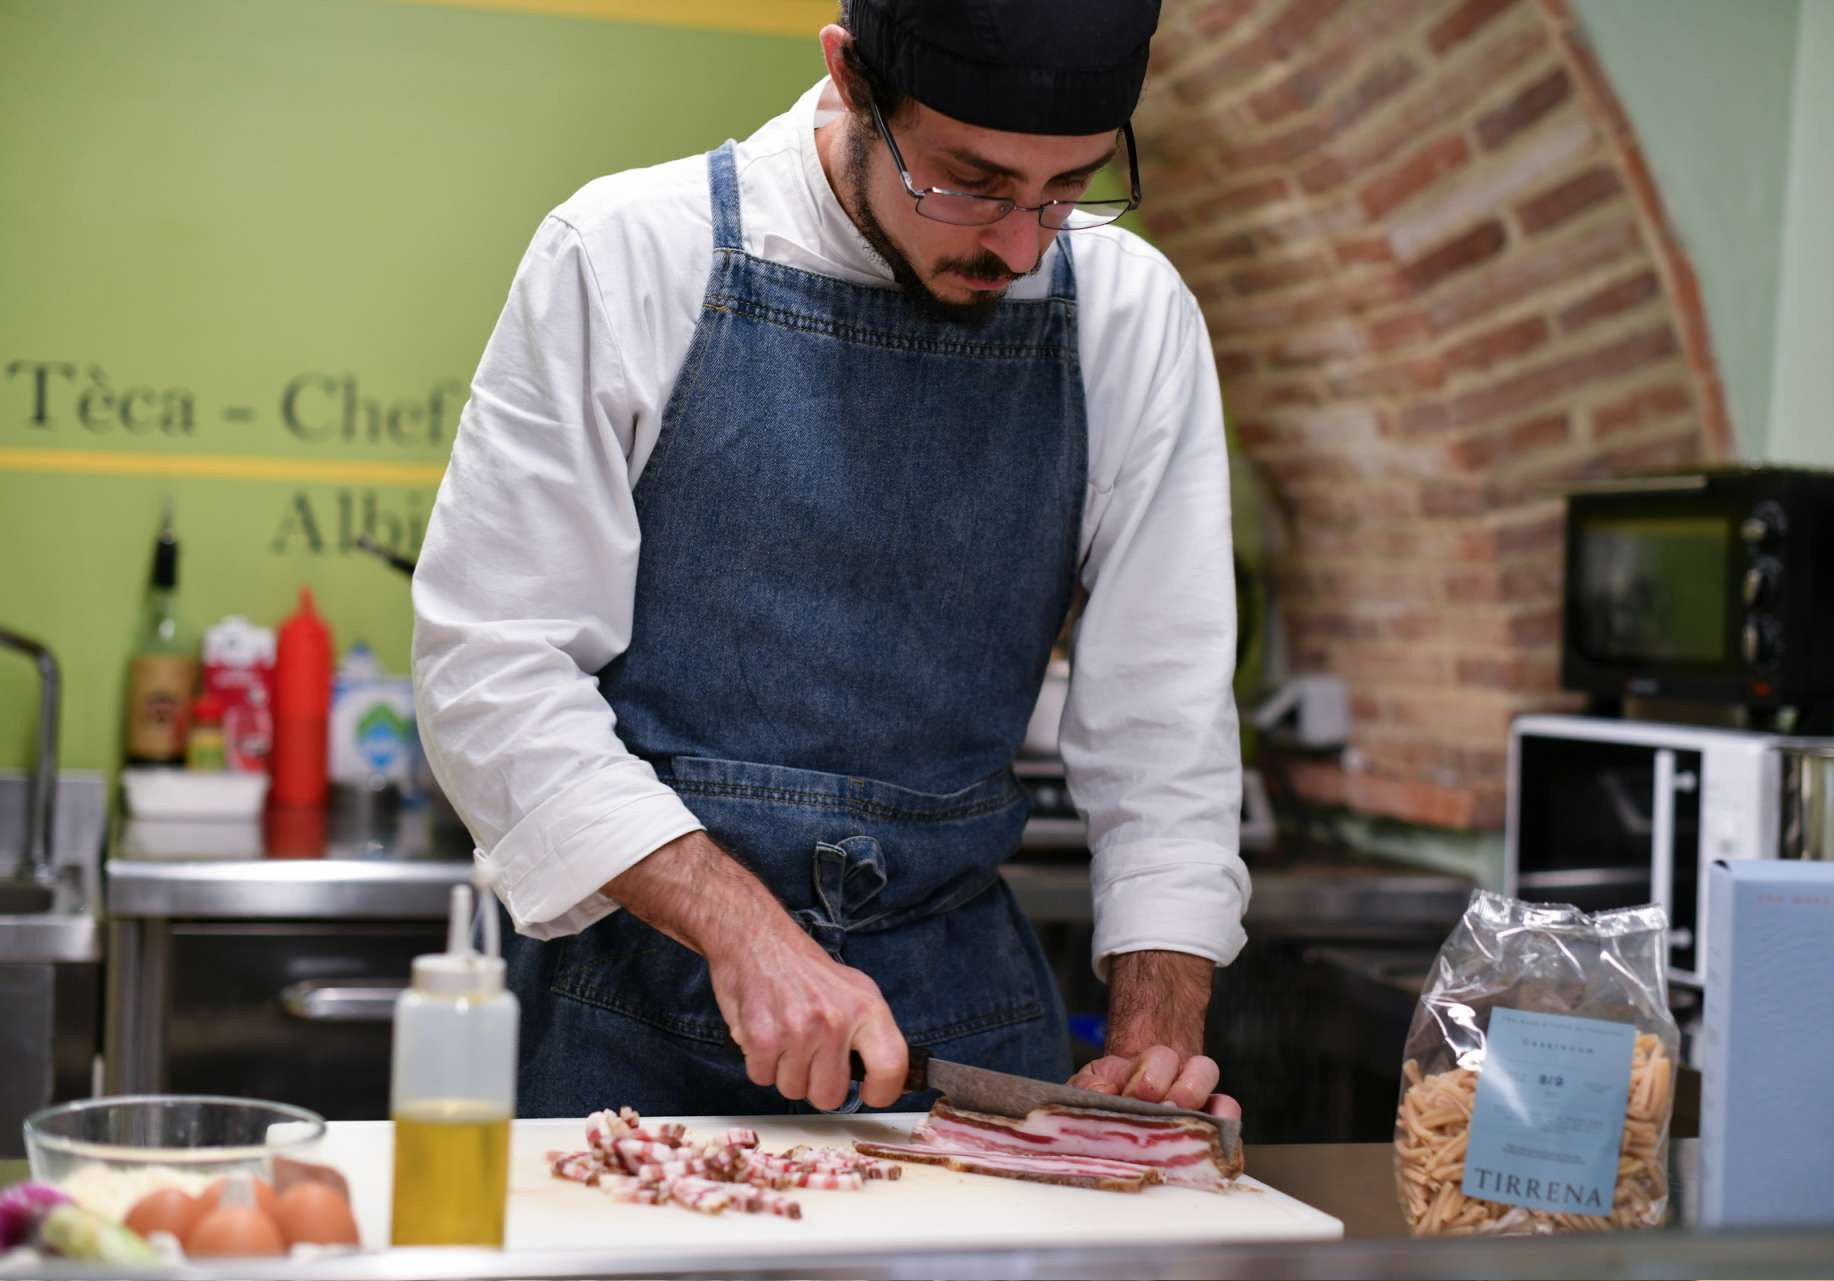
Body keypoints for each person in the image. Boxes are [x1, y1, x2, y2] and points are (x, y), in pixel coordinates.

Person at [411, 0, 1251, 1123]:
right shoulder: (627, 254)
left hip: (965, 1038)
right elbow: (491, 670)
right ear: (851, 81)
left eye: (1067, 190)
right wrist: (742, 927)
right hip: (629, 1030)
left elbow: (1168, 728)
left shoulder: (1132, 318)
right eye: (973, 183)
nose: (1018, 243)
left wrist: (1157, 1032)